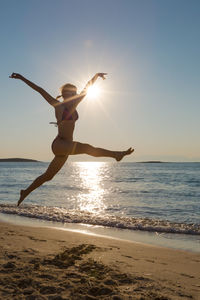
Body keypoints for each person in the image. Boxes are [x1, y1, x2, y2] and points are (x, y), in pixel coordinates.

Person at [9, 72, 134, 206]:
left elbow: (86, 89)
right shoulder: (58, 105)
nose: (74, 95)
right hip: (59, 144)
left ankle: (25, 192)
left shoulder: (74, 104)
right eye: (71, 93)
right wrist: (21, 78)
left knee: (48, 176)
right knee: (86, 148)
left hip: (66, 147)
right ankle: (116, 155)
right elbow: (39, 90)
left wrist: (96, 76)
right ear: (65, 94)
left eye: (74, 93)